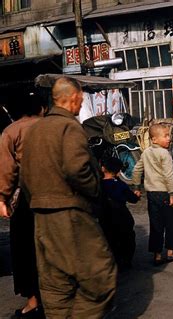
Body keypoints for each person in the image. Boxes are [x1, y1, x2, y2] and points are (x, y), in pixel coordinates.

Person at [20, 77, 117, 318]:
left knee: (56, 287)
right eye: (81, 101)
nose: (80, 105)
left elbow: (25, 176)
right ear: (73, 99)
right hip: (70, 213)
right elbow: (77, 169)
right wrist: (95, 191)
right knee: (101, 276)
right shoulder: (70, 127)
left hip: (41, 218)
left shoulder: (34, 130)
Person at [0, 93, 46, 319]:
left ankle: (33, 302)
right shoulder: (52, 126)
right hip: (57, 195)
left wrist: (2, 199)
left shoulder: (11, 131)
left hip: (27, 198)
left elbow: (7, 171)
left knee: (24, 250)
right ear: (41, 109)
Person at [132, 124, 173, 266]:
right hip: (165, 193)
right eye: (165, 136)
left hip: (152, 195)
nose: (169, 139)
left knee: (156, 225)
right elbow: (168, 175)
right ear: (154, 139)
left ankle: (157, 255)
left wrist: (136, 187)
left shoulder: (146, 152)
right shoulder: (165, 154)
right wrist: (172, 194)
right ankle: (170, 252)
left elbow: (136, 170)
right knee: (171, 223)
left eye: (168, 135)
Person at [100, 157, 140, 271]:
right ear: (118, 172)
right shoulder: (120, 185)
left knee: (110, 239)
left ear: (103, 168)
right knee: (127, 237)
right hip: (122, 214)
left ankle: (113, 261)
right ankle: (126, 260)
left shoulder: (99, 185)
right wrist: (136, 195)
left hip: (106, 216)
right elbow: (132, 199)